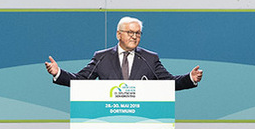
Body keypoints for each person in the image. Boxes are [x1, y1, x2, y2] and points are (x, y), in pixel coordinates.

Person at [45, 16, 203, 91]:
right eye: (130, 32)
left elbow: (168, 83)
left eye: (138, 33)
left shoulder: (150, 58)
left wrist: (190, 78)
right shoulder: (102, 57)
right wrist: (58, 72)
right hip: (109, 118)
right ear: (118, 34)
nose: (134, 36)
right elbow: (81, 80)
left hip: (142, 119)